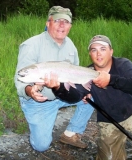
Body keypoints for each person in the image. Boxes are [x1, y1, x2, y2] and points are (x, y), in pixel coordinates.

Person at [44, 35, 132, 159]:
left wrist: (111, 80)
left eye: (103, 49)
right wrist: (58, 87)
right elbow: (73, 96)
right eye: (94, 50)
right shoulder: (84, 73)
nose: (98, 53)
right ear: (90, 54)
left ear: (111, 51)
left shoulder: (123, 64)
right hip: (109, 122)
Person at [14, 6, 94, 152]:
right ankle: (37, 127)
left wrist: (86, 90)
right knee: (41, 147)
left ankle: (71, 133)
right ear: (48, 23)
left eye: (66, 22)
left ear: (70, 26)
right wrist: (31, 91)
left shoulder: (70, 46)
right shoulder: (31, 45)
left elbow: (75, 75)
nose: (62, 25)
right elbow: (19, 79)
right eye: (57, 20)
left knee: (93, 96)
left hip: (63, 95)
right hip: (39, 102)